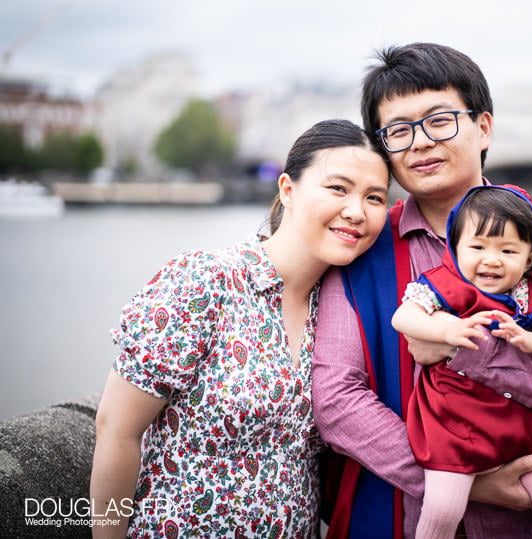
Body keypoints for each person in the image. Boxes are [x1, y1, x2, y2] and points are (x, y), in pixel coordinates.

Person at [312, 42, 532, 539]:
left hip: (531, 518)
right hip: (399, 515)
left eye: (439, 121)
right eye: (398, 131)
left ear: (484, 127)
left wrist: (469, 352)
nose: (419, 143)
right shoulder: (361, 251)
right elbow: (337, 402)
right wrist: (467, 482)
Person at [89, 119, 390, 538]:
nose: (356, 211)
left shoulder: (343, 311)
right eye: (338, 188)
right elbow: (117, 430)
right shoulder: (206, 281)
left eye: (375, 197)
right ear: (288, 189)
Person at [392, 184, 532, 539]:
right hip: (453, 422)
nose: (491, 259)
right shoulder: (443, 284)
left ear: (529, 258)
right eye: (477, 247)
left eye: (508, 250)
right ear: (456, 247)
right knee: (441, 510)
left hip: (521, 425)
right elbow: (403, 318)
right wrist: (445, 331)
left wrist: (531, 340)